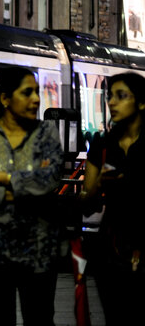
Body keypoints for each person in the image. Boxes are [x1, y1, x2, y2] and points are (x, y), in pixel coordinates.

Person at [0, 67, 64, 326]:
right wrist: (24, 187)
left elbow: (50, 178)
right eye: (27, 92)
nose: (36, 99)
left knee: (39, 320)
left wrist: (5, 179)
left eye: (37, 92)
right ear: (5, 98)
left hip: (40, 252)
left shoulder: (46, 133)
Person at [81, 72, 145, 325]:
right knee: (115, 316)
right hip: (112, 247)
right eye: (110, 97)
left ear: (141, 102)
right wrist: (99, 185)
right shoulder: (102, 144)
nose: (112, 103)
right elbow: (88, 204)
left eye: (121, 96)